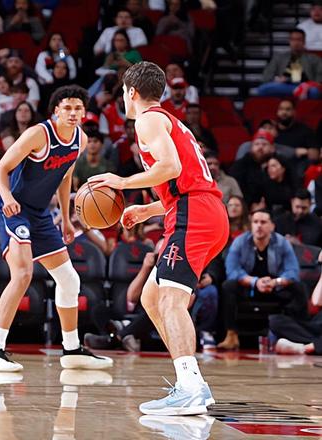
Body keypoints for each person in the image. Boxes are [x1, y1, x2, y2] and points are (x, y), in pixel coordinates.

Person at [88, 61, 228, 415]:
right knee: (152, 297)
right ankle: (191, 382)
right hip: (199, 210)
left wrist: (121, 182)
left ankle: (190, 388)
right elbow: (183, 181)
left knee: (170, 301)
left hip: (194, 214)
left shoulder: (148, 120)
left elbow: (171, 168)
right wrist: (148, 210)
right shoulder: (169, 120)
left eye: (123, 92)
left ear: (131, 92)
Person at [0, 84, 112, 373]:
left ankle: (71, 349)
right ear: (56, 111)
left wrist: (65, 219)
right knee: (23, 274)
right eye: (67, 108)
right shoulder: (38, 134)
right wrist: (7, 198)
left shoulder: (80, 139)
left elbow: (65, 178)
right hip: (14, 210)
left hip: (41, 215)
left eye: (78, 108)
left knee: (69, 280)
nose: (73, 113)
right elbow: (0, 169)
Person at [218, 209, 308, 350]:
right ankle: (231, 335)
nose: (259, 225)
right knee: (228, 286)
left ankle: (298, 334)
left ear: (272, 226)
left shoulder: (282, 243)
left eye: (263, 222)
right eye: (255, 222)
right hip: (249, 287)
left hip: (274, 287)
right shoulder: (240, 242)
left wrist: (276, 282)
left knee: (299, 288)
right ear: (251, 225)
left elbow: (293, 271)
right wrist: (255, 282)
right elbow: (232, 271)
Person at [258, 29, 322, 98]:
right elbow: (266, 77)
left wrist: (307, 85)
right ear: (289, 41)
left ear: (304, 42)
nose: (296, 43)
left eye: (299, 40)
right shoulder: (279, 58)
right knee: (263, 89)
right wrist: (277, 79)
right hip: (284, 86)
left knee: (314, 92)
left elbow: (319, 80)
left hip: (306, 87)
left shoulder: (314, 59)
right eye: (293, 40)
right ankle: (298, 91)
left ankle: (299, 90)